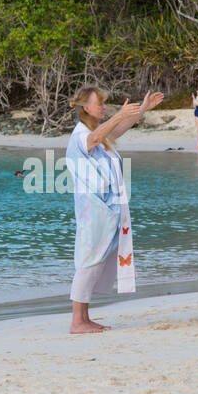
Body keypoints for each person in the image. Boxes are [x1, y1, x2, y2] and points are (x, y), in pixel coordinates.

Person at [66, 85, 165, 334]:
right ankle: (77, 321)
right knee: (89, 260)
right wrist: (119, 114)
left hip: (107, 208)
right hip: (94, 210)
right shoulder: (81, 134)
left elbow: (114, 131)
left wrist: (141, 110)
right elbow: (96, 138)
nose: (103, 107)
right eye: (99, 103)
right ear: (86, 108)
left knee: (97, 259)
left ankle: (84, 318)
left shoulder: (98, 132)